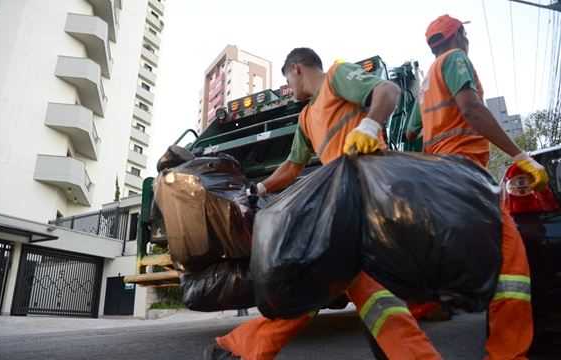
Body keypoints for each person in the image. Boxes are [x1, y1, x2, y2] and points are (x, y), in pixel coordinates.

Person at [205, 47, 443, 360]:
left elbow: (388, 90)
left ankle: (238, 348)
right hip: (344, 208)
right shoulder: (305, 118)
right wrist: (258, 187)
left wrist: (370, 126)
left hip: (370, 197)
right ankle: (239, 348)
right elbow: (292, 166)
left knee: (326, 285)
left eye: (288, 78)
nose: (289, 87)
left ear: (297, 69)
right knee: (329, 287)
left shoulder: (337, 76)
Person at [378, 15, 548, 359]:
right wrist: (521, 154)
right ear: (459, 35)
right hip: (464, 174)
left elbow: (411, 133)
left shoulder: (427, 80)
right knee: (512, 264)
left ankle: (406, 334)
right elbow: (471, 109)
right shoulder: (456, 60)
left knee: (430, 260)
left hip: (437, 178)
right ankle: (507, 353)